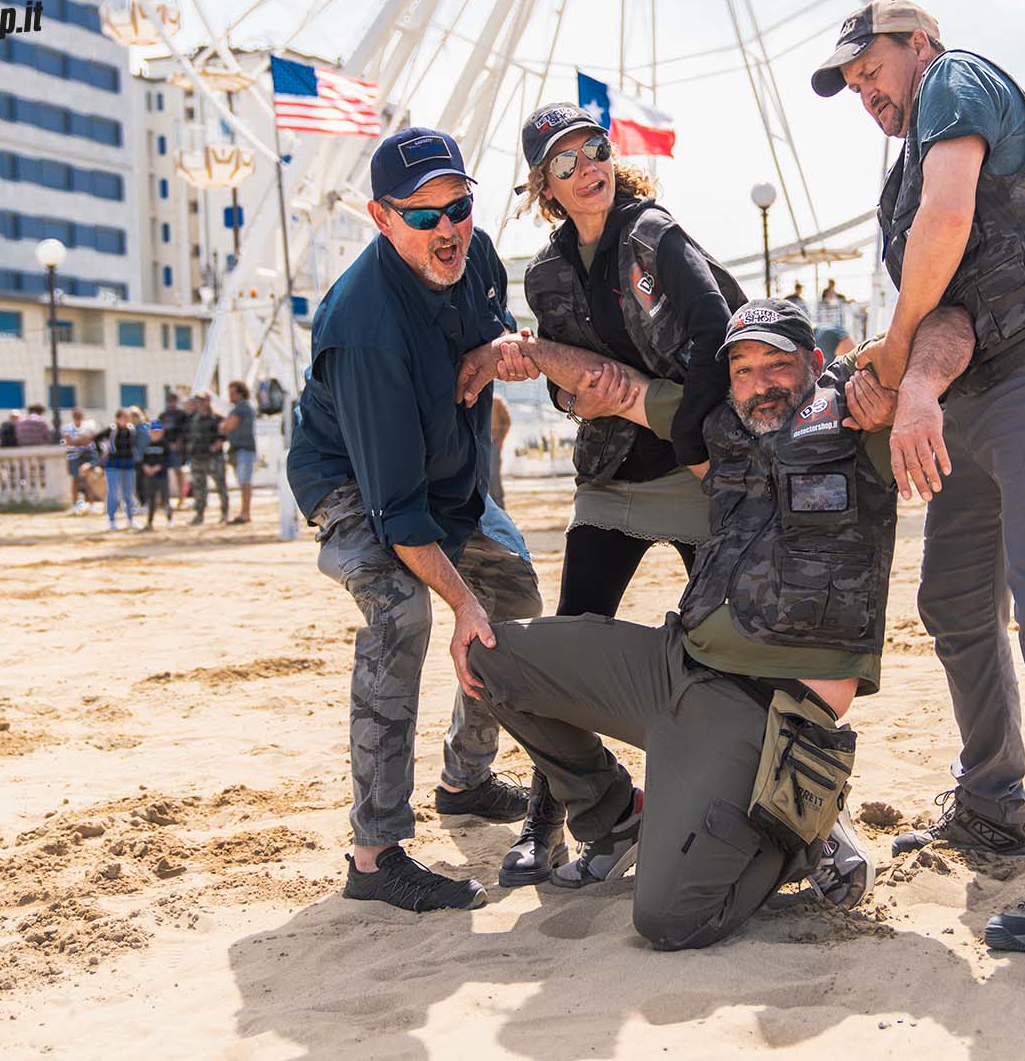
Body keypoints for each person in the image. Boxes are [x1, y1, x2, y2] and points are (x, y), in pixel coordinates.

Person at [456, 298, 975, 948]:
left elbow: (949, 323)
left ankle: (801, 823)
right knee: (488, 656)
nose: (760, 382)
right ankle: (613, 814)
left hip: (759, 705)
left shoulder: (857, 414)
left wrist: (913, 388)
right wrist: (524, 352)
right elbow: (613, 388)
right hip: (673, 663)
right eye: (743, 368)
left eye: (777, 364)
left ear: (814, 361)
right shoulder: (718, 422)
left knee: (669, 920)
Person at [813, 0, 1025, 952]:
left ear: (918, 45)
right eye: (852, 85)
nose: (866, 93)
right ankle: (995, 804)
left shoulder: (956, 81)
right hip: (981, 381)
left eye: (871, 70)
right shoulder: (904, 176)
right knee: (955, 599)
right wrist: (906, 381)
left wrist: (896, 359)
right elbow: (950, 309)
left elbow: (947, 224)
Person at [288, 125, 543, 913]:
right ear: (381, 217)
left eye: (458, 207)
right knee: (404, 613)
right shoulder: (364, 327)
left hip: (443, 474)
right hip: (354, 483)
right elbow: (395, 514)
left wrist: (499, 348)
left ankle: (465, 780)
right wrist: (459, 601)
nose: (448, 230)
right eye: (424, 215)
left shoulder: (479, 257)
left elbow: (493, 338)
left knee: (514, 593)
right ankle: (374, 856)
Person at [497, 102, 745, 885]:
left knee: (740, 641)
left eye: (595, 150)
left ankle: (787, 809)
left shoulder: (653, 234)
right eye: (565, 163)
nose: (587, 169)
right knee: (563, 645)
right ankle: (559, 818)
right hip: (610, 478)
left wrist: (693, 445)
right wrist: (576, 396)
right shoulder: (544, 274)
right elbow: (564, 379)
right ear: (544, 186)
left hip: (692, 471)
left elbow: (719, 334)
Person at [184, 393, 228, 525]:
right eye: (197, 401)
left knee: (220, 485)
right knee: (199, 487)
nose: (199, 404)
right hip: (197, 457)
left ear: (208, 402)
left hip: (214, 458)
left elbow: (223, 437)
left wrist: (215, 447)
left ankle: (224, 513)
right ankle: (199, 514)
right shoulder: (192, 419)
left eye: (202, 401)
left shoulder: (217, 419)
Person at [97, 408, 142, 531]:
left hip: (128, 465)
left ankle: (131, 519)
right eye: (124, 417)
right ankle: (111, 520)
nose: (126, 419)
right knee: (113, 494)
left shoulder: (132, 430)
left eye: (128, 417)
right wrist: (102, 452)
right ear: (118, 419)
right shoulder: (112, 430)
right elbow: (97, 438)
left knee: (129, 494)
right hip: (113, 465)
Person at [220, 381, 257, 525]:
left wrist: (222, 425)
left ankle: (245, 514)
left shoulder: (242, 408)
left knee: (245, 483)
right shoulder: (242, 407)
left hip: (244, 449)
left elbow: (227, 426)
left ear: (240, 393)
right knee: (243, 482)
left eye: (232, 393)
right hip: (240, 449)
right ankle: (244, 512)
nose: (230, 396)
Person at [61, 406, 96, 513]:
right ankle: (75, 506)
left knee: (89, 480)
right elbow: (69, 442)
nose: (78, 417)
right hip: (74, 456)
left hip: (87, 455)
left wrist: (75, 441)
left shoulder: (88, 426)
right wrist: (82, 440)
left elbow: (89, 440)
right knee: (75, 480)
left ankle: (91, 505)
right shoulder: (67, 427)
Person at [139, 421, 173, 530]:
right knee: (151, 500)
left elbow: (168, 460)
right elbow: (143, 460)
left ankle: (169, 520)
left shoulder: (165, 445)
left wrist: (159, 467)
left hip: (162, 476)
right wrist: (146, 467)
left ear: (161, 432)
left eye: (157, 432)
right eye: (153, 432)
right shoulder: (147, 445)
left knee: (165, 499)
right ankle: (149, 522)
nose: (155, 434)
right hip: (150, 477)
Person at [157, 391, 189, 506]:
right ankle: (163, 498)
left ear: (176, 401)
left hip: (177, 447)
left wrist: (178, 443)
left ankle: (181, 497)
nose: (171, 403)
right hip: (165, 448)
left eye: (173, 401)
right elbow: (159, 432)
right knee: (161, 473)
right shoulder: (162, 415)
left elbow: (185, 431)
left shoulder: (182, 415)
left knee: (178, 471)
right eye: (169, 401)